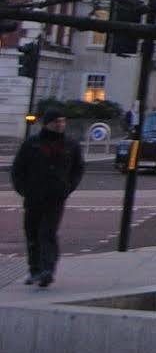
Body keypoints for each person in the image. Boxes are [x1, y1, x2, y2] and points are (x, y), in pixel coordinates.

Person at [11, 111, 84, 288]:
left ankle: (47, 270)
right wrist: (24, 190)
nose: (60, 125)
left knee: (48, 233)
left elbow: (78, 168)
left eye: (62, 121)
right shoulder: (32, 144)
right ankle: (34, 269)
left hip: (56, 197)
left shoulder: (70, 145)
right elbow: (18, 169)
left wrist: (67, 187)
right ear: (47, 124)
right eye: (56, 122)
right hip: (34, 196)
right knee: (33, 234)